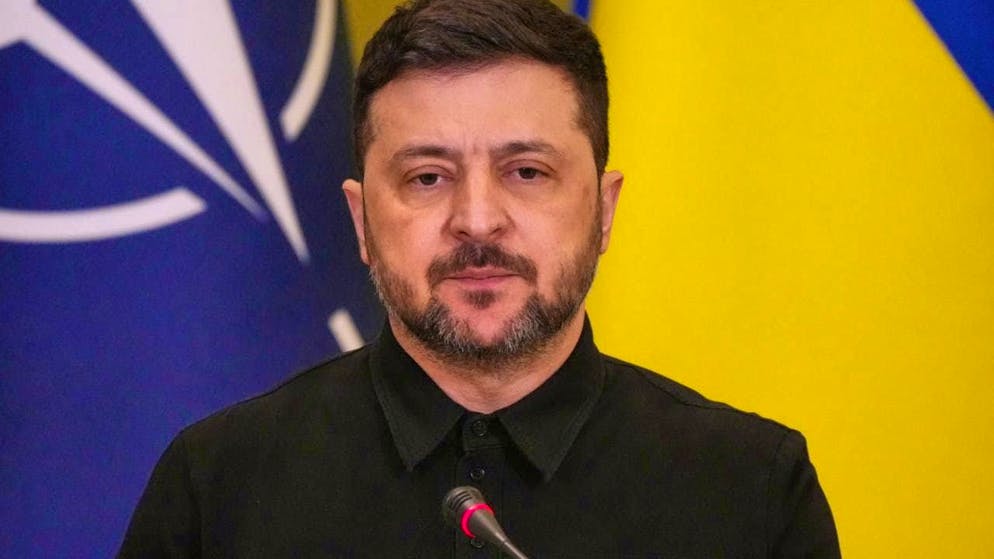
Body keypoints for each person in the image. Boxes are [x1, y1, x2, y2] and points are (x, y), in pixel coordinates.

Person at [119, 0, 840, 557]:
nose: (478, 219)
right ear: (362, 220)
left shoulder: (751, 494)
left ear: (605, 208)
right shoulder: (217, 489)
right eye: (427, 177)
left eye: (527, 172)